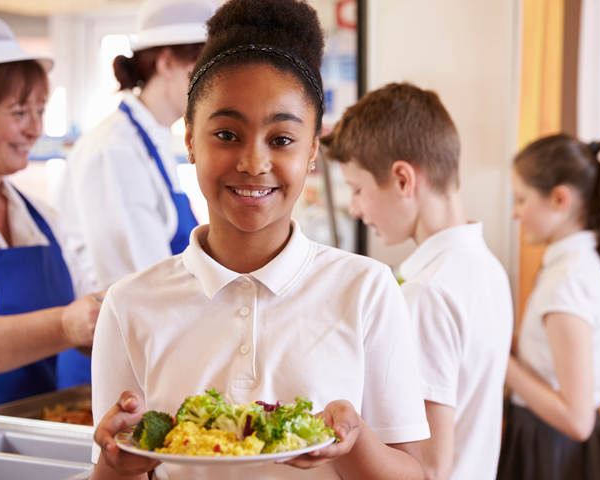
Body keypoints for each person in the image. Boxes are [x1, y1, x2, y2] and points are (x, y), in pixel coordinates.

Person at [90, 1, 430, 479]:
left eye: (282, 140)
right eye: (227, 134)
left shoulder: (367, 290)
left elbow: (415, 474)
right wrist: (118, 467)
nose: (253, 162)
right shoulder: (130, 305)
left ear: (313, 149)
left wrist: (353, 439)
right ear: (190, 139)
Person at [322, 83, 514, 480]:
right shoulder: (488, 267)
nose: (355, 208)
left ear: (404, 180)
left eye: (357, 189)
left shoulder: (426, 294)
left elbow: (431, 467)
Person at [0, 15, 102, 431]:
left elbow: (86, 320)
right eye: (19, 111)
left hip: (32, 433)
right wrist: (64, 324)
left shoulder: (40, 217)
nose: (35, 128)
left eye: (40, 110)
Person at [498, 134, 600, 480]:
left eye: (521, 199)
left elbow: (577, 420)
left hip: (556, 449)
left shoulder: (569, 281)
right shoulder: (567, 268)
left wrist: (500, 360)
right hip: (550, 442)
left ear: (560, 198)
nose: (516, 212)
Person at [54, 0, 219, 291]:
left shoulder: (151, 139)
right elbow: (143, 286)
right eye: (205, 72)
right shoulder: (115, 149)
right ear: (166, 63)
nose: (216, 86)